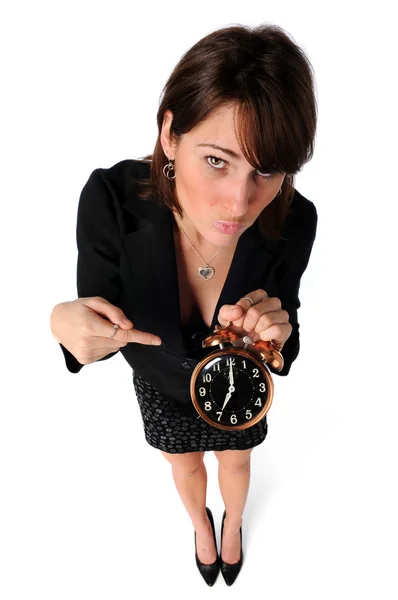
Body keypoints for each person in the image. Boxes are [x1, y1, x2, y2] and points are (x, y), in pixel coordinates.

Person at [50, 23, 318, 586]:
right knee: (184, 464)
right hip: (158, 383)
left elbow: (287, 326)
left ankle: (235, 524)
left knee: (239, 461)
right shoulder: (110, 199)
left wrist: (278, 331)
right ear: (170, 134)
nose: (240, 201)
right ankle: (201, 525)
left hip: (241, 383)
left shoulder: (295, 219)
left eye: (265, 171)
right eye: (217, 160)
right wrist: (62, 324)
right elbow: (92, 315)